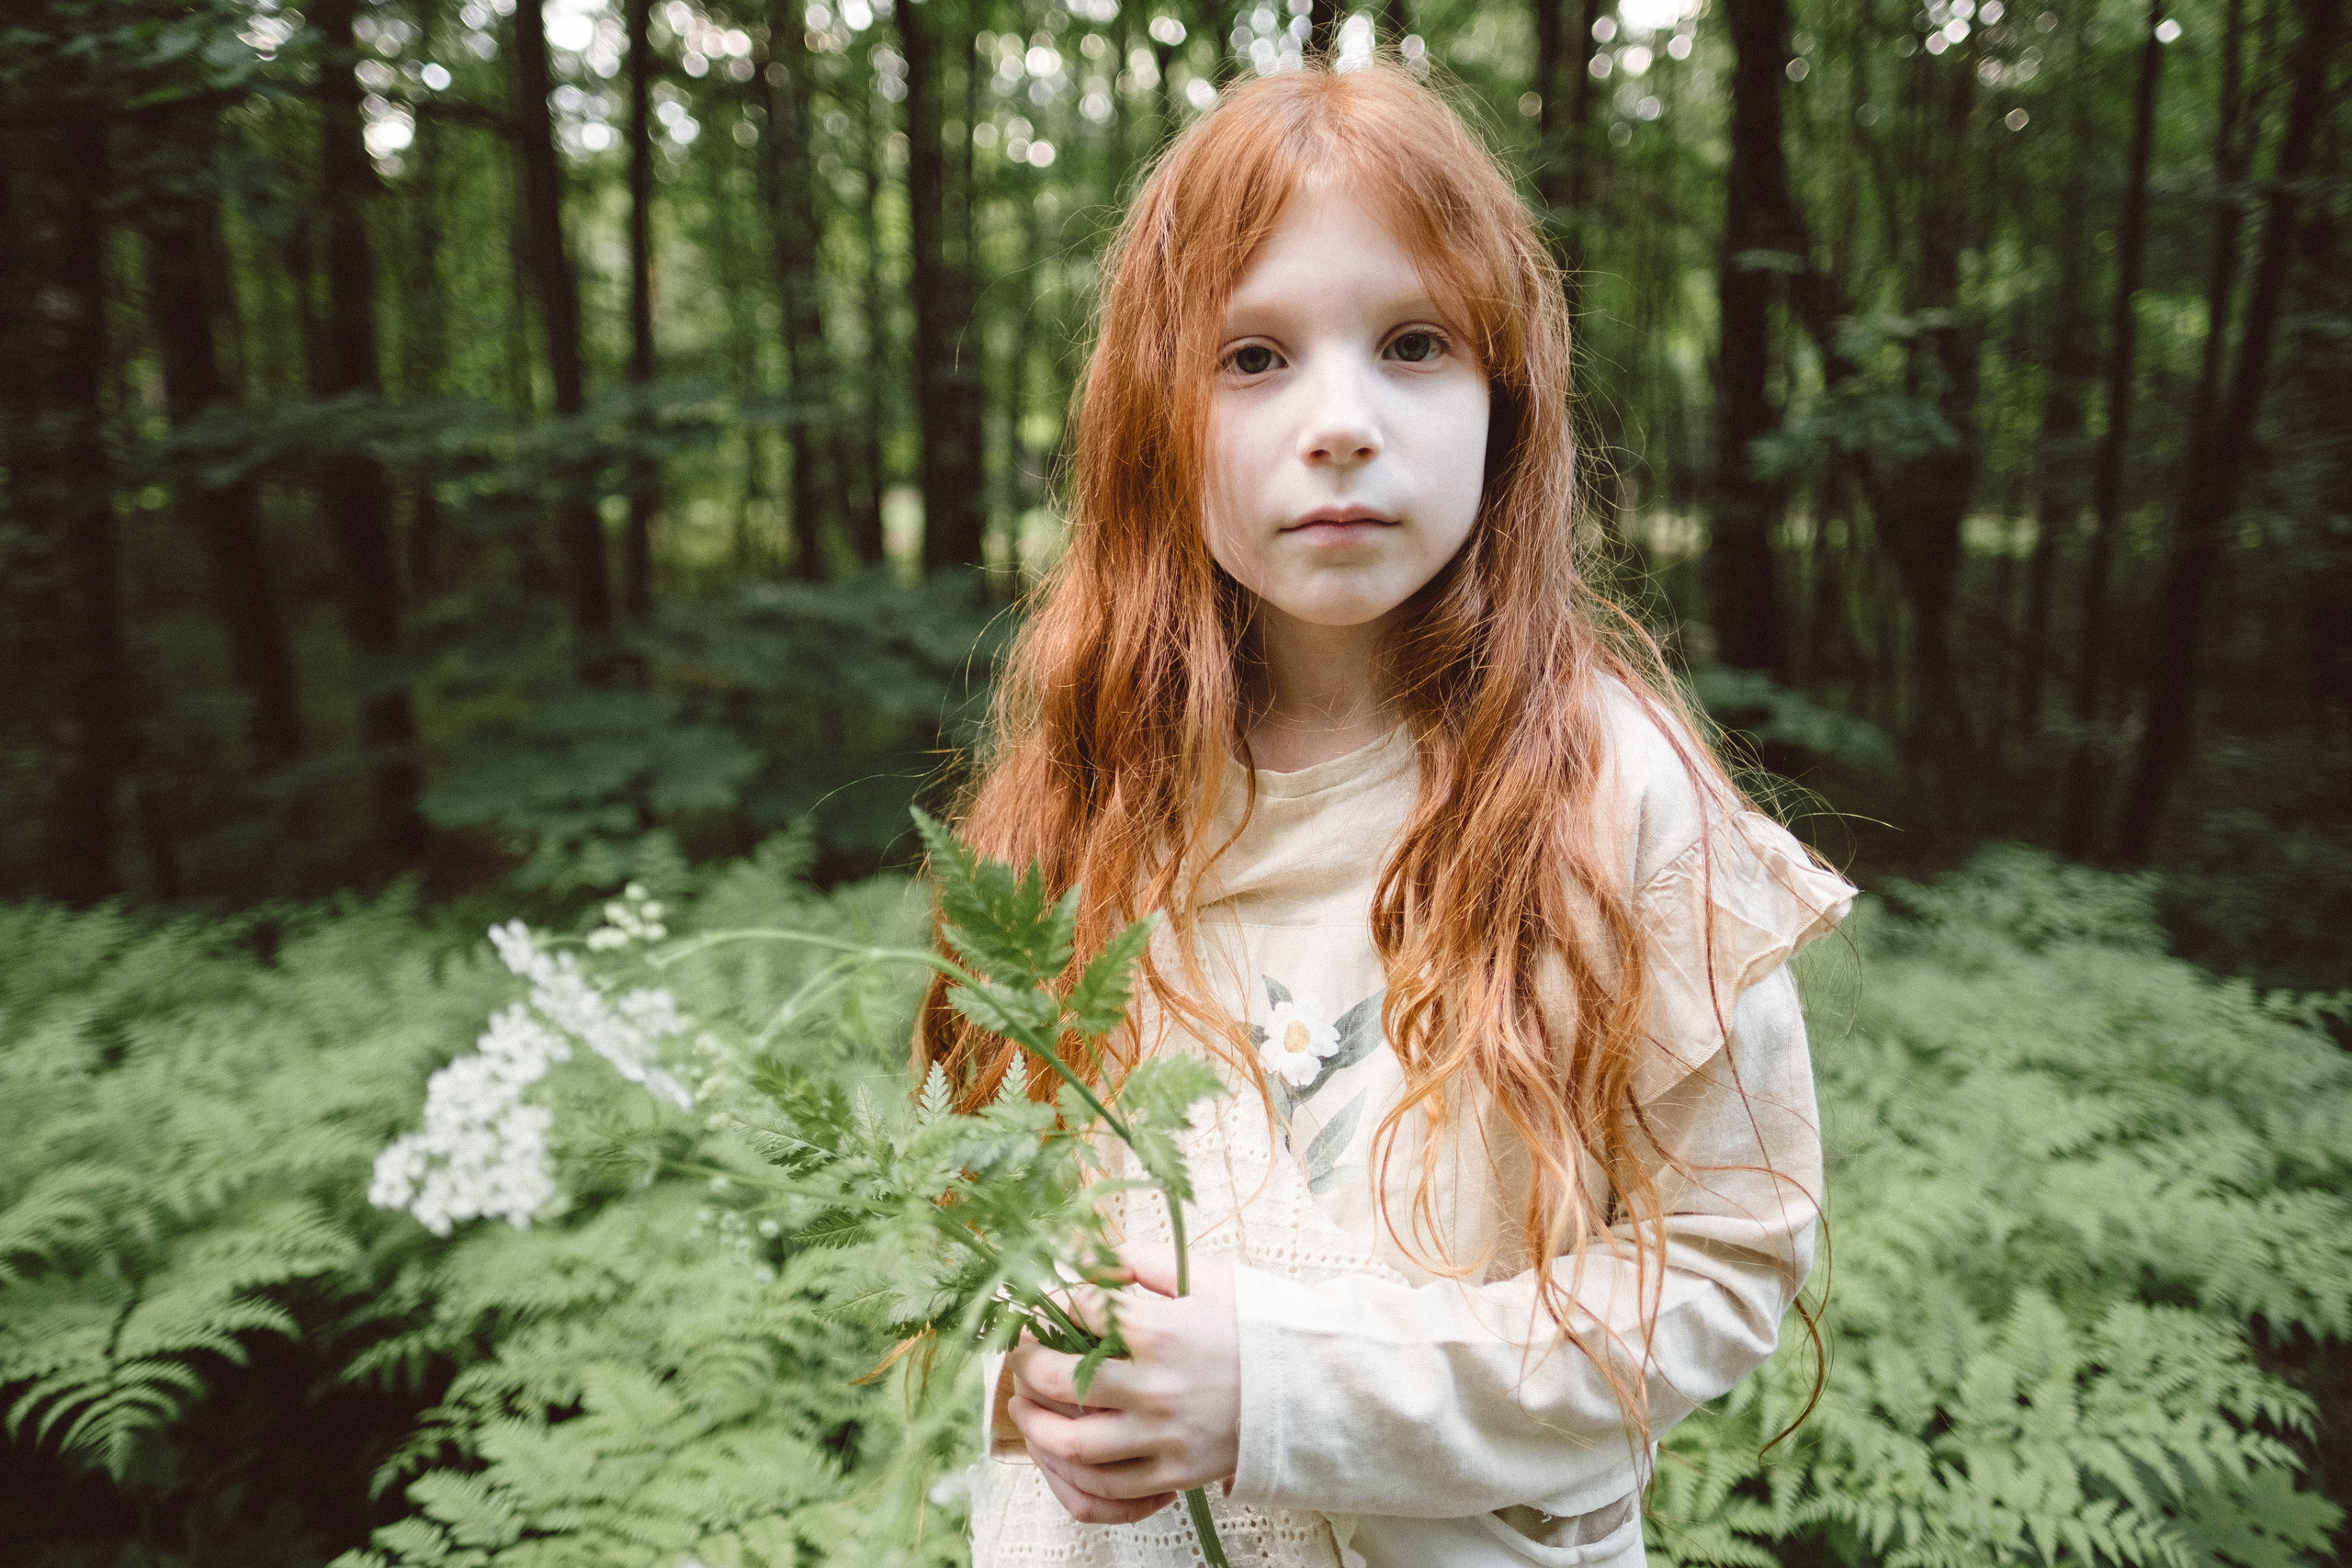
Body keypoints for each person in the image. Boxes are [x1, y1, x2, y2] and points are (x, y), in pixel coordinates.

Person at [919, 58, 1856, 1568]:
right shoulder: (1096, 789)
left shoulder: (1614, 797)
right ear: (1156, 416)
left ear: (1505, 398)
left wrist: (1289, 1389)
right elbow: (1011, 1211)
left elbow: (1724, 1265)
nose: (1341, 420)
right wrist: (1037, 1373)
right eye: (1252, 357)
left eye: (1413, 343)